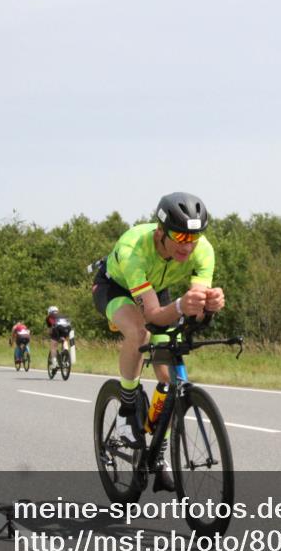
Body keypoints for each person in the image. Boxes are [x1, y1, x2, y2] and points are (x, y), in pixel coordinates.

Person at [92, 192, 225, 489]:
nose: (187, 245)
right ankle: (127, 405)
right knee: (140, 332)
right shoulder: (133, 249)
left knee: (169, 380)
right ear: (160, 231)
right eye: (179, 235)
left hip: (157, 289)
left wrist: (209, 306)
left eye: (194, 236)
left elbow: (193, 315)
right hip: (115, 288)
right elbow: (152, 313)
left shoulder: (203, 251)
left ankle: (160, 455)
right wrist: (181, 305)